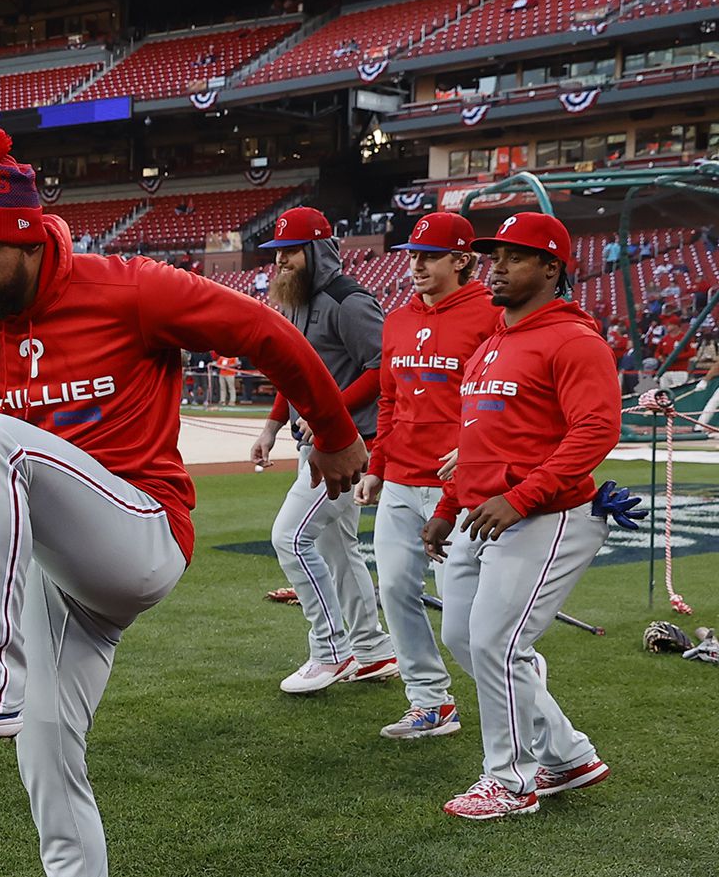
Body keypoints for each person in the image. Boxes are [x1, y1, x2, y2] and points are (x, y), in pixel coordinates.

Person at [0, 127, 362, 877]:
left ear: (29, 238)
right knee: (49, 765)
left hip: (142, 534)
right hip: (66, 577)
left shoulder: (126, 287)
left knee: (1, 441)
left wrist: (332, 430)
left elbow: (265, 332)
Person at [423, 212, 619, 821]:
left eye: (515, 257)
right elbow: (477, 442)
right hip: (481, 514)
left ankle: (510, 782)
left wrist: (522, 496)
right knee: (465, 638)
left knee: (499, 642)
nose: (497, 268)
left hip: (549, 514)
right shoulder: (490, 344)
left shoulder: (575, 339)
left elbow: (597, 430)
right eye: (494, 256)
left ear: (552, 268)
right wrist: (448, 505)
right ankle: (568, 755)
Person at [357, 212, 497, 741]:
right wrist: (377, 464)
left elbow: (500, 395)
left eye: (429, 256)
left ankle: (510, 698)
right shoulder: (396, 320)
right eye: (412, 255)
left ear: (462, 260)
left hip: (459, 487)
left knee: (465, 612)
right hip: (400, 479)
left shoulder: (490, 315)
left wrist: (475, 447)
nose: (416, 265)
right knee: (393, 587)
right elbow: (390, 400)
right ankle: (430, 701)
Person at [250, 207, 394, 694]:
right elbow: (295, 372)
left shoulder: (348, 300)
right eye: (278, 253)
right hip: (315, 443)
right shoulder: (296, 300)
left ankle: (331, 648)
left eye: (291, 252)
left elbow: (381, 371)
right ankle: (373, 650)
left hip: (347, 446)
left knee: (291, 537)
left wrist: (324, 414)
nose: (282, 262)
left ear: (316, 251)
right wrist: (273, 424)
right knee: (337, 548)